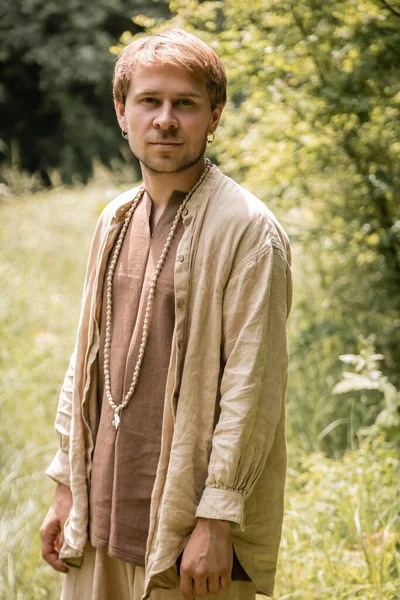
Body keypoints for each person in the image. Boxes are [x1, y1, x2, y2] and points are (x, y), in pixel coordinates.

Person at [40, 28, 292, 600]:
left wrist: (215, 519)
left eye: (186, 104)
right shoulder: (115, 219)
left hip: (186, 537)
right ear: (121, 111)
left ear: (215, 114)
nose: (166, 120)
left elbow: (254, 389)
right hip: (100, 518)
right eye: (149, 101)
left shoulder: (248, 230)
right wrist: (65, 487)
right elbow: (84, 367)